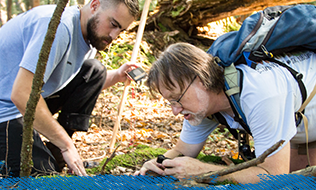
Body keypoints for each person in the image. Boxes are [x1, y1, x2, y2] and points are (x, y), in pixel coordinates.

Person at [134, 42, 316, 184]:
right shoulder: (202, 106)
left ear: (200, 80)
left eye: (177, 99)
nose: (175, 110)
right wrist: (158, 163)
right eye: (170, 103)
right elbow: (183, 150)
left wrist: (204, 171)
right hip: (301, 126)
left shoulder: (259, 93)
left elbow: (274, 178)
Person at [0, 0, 139, 177]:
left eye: (121, 30)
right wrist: (67, 144)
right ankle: (56, 153)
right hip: (6, 108)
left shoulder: (89, 36)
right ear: (95, 5)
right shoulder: (59, 28)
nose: (114, 35)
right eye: (113, 24)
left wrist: (117, 76)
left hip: (21, 99)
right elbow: (22, 94)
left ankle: (55, 152)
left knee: (95, 71)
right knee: (44, 175)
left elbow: (68, 83)